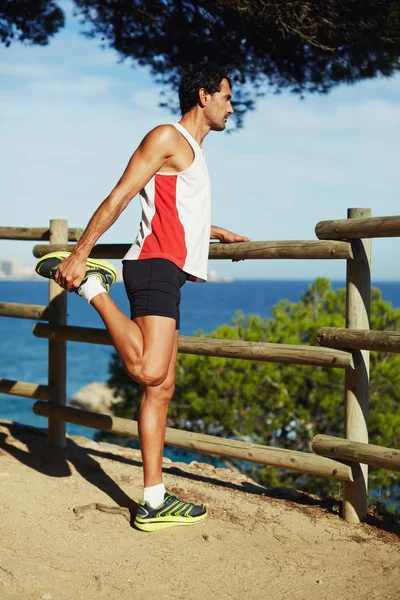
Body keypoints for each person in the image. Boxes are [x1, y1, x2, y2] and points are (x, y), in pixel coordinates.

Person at [35, 64, 250, 532]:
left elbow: (172, 208)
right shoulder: (166, 137)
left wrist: (212, 231)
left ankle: (153, 500)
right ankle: (94, 285)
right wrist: (79, 256)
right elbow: (121, 196)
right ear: (203, 96)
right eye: (227, 98)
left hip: (169, 271)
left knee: (162, 388)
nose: (232, 107)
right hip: (152, 267)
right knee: (149, 370)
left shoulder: (192, 150)